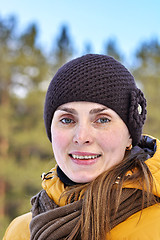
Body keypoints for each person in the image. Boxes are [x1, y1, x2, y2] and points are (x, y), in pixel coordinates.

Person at [3, 54, 160, 240]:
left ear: (129, 137)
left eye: (102, 120)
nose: (81, 137)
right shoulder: (20, 231)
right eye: (67, 120)